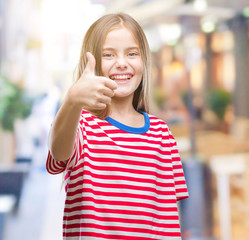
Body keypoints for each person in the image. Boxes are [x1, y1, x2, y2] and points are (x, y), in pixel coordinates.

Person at [46, 12, 189, 239]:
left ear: (144, 61)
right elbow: (59, 152)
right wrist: (72, 99)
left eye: (132, 53)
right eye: (108, 55)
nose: (122, 63)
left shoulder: (162, 134)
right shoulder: (81, 126)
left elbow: (167, 219)